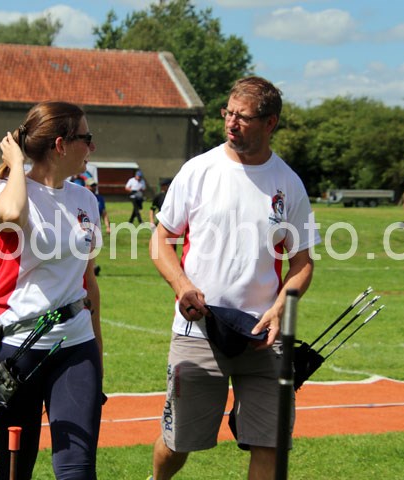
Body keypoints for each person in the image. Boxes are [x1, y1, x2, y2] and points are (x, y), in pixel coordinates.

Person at [148, 76, 320, 480]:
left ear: (270, 122)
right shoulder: (198, 170)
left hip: (264, 338)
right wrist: (182, 287)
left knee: (271, 444)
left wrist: (280, 308)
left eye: (243, 117)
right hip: (198, 330)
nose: (231, 122)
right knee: (178, 442)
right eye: (229, 113)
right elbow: (161, 239)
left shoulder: (288, 183)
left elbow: (303, 262)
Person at [0, 101, 104, 480]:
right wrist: (17, 164)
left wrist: (97, 355)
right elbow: (13, 214)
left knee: (78, 471)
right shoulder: (1, 191)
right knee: (14, 469)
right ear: (60, 145)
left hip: (75, 348)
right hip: (16, 352)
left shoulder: (84, 199)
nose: (92, 147)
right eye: (86, 138)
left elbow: (88, 282)